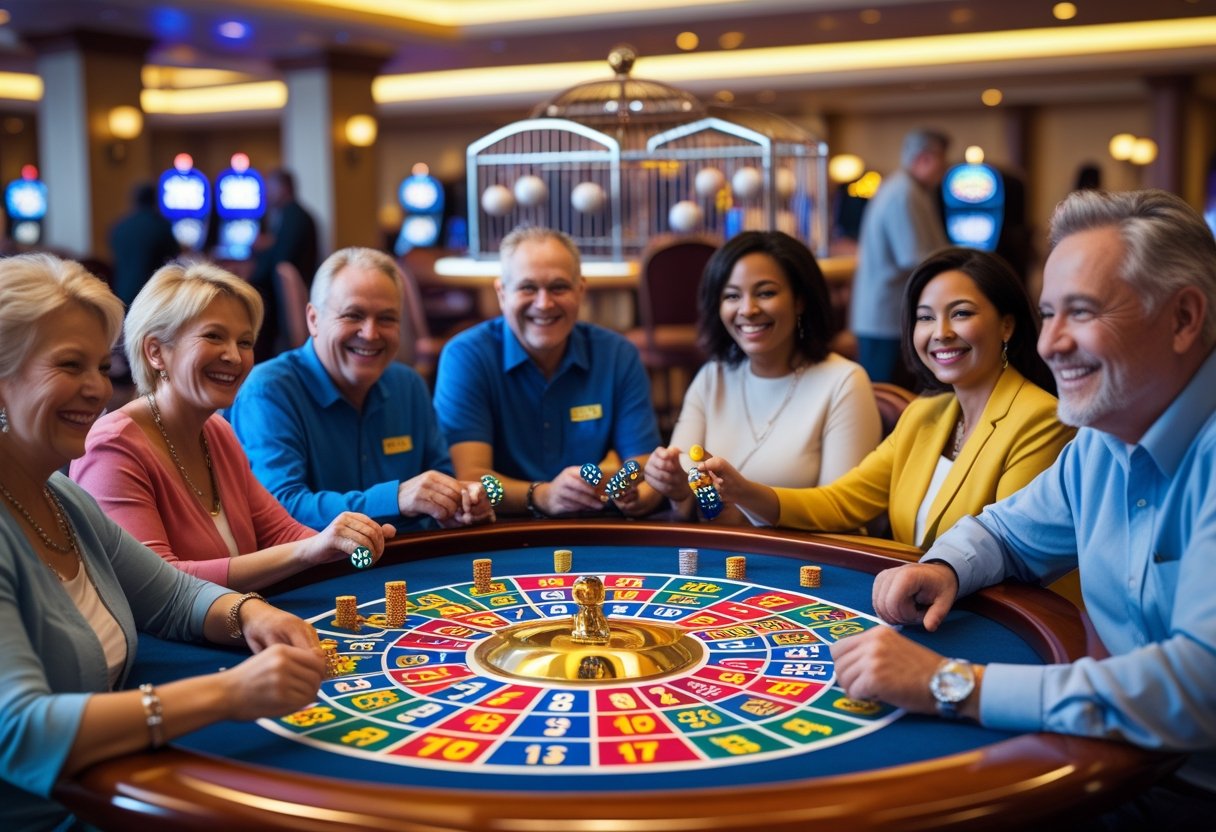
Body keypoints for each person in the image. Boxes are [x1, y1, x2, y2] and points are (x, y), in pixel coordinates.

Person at [832, 189, 1216, 829]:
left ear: (1183, 319)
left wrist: (951, 684)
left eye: (1082, 312)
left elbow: (1196, 687)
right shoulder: (1102, 436)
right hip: (1119, 760)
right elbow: (1006, 533)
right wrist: (946, 568)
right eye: (1048, 313)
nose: (1050, 344)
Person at [0, 253, 327, 832]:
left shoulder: (58, 496)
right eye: (69, 365)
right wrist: (227, 694)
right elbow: (20, 733)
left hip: (114, 789)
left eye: (101, 367)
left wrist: (249, 614)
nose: (96, 389)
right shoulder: (99, 458)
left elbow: (173, 597)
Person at [702, 247, 1074, 551]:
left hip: (998, 620)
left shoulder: (1041, 420)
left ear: (1006, 325)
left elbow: (1008, 551)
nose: (940, 333)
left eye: (960, 314)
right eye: (925, 318)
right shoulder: (924, 414)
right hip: (919, 604)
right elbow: (840, 502)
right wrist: (745, 492)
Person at [71, 261, 394, 591]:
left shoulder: (217, 432)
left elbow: (284, 534)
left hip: (239, 625)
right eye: (214, 336)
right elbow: (155, 586)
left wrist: (354, 548)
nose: (234, 357)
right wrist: (309, 550)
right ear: (156, 352)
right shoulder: (112, 447)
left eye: (244, 342)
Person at [228, 247, 492, 532]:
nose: (370, 333)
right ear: (313, 320)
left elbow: (443, 480)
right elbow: (282, 509)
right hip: (317, 574)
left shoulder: (409, 384)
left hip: (409, 563)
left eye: (387, 318)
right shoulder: (268, 390)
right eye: (353, 315)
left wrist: (458, 505)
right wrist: (396, 498)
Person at [645, 231, 881, 524]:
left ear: (800, 300)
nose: (747, 309)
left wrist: (743, 496)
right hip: (715, 557)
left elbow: (842, 513)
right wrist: (675, 485)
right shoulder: (712, 377)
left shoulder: (844, 381)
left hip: (804, 563)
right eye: (732, 296)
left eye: (765, 292)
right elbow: (686, 494)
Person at [433, 226, 663, 517]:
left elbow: (641, 463)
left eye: (558, 287)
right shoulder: (466, 356)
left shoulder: (618, 355)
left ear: (580, 291)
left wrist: (621, 486)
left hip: (592, 525)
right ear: (502, 293)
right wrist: (541, 495)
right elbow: (471, 478)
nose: (544, 303)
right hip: (500, 529)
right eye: (528, 287)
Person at [851, 128, 951, 385]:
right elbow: (913, 257)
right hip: (885, 318)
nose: (945, 168)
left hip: (891, 315)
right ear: (924, 159)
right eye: (943, 160)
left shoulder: (909, 190)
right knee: (886, 398)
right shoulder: (903, 193)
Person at [249, 168, 319, 360]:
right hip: (289, 295)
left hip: (295, 297)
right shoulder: (290, 214)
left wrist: (250, 276)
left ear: (284, 189)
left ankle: (259, 361)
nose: (267, 193)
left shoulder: (293, 217)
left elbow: (282, 261)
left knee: (254, 299)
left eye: (270, 188)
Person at [108, 181, 181, 308]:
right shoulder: (161, 226)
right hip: (152, 296)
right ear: (155, 200)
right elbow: (174, 257)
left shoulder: (119, 226)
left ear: (134, 200)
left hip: (121, 294)